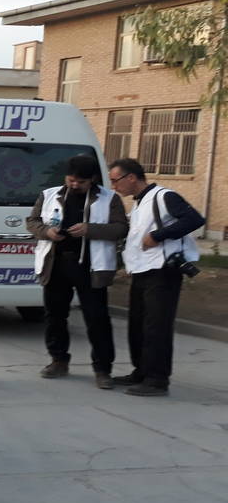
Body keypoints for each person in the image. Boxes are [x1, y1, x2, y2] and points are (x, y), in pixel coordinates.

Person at [26, 155, 127, 387]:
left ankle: (103, 369)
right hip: (56, 264)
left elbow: (121, 228)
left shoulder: (109, 198)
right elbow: (32, 222)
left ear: (92, 179)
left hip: (91, 267)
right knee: (55, 316)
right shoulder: (49, 195)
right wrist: (46, 232)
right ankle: (58, 360)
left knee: (97, 319)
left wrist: (90, 229)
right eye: (71, 180)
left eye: (80, 182)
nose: (74, 185)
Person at [107, 157, 205, 396]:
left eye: (115, 180)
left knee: (156, 326)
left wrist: (158, 236)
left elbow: (194, 219)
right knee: (138, 324)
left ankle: (157, 380)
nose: (114, 186)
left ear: (131, 177)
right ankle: (141, 371)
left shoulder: (163, 196)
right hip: (142, 271)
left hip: (163, 272)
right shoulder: (140, 203)